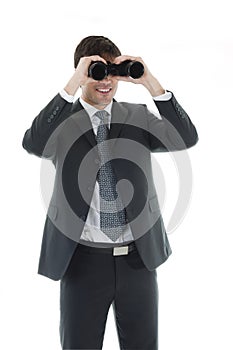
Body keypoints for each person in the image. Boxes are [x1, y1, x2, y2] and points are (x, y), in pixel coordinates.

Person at [22, 35, 198, 350]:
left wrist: (150, 83)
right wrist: (74, 82)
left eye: (112, 74)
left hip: (138, 260)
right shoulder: (63, 123)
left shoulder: (137, 117)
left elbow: (185, 138)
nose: (107, 83)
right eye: (97, 73)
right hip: (82, 263)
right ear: (82, 73)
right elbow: (33, 143)